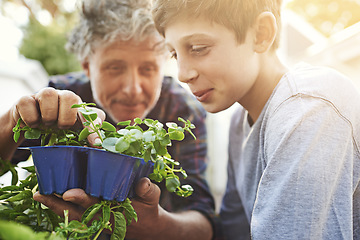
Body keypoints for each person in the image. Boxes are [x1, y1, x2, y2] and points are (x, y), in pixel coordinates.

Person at [0, 0, 223, 239]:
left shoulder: (181, 110)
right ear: (87, 66)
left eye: (147, 69)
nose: (132, 89)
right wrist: (15, 121)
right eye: (115, 68)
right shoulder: (62, 98)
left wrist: (152, 225)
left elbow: (203, 222)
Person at [152, 0, 360, 239]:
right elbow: (234, 232)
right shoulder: (239, 123)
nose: (183, 73)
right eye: (175, 54)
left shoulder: (309, 108)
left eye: (198, 48)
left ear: (261, 34)